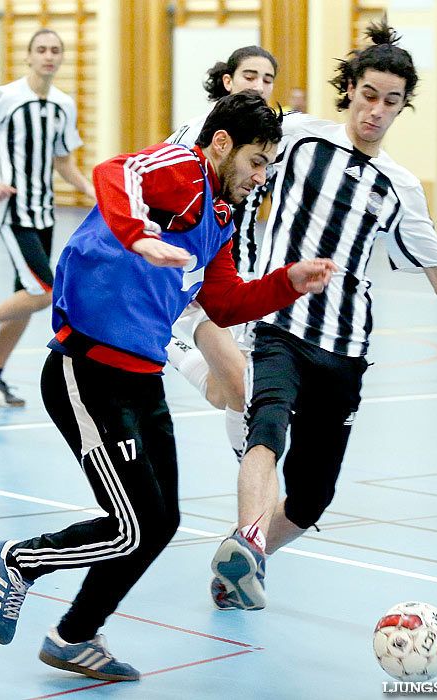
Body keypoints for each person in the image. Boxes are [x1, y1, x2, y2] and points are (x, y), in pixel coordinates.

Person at [209, 21, 437, 612]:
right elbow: (223, 150)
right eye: (369, 95)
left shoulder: (401, 187)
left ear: (404, 108)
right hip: (278, 324)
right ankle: (247, 540)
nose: (376, 111)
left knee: (310, 501)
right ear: (350, 88)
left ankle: (241, 565)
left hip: (345, 349)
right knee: (265, 428)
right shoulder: (297, 136)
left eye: (391, 102)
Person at [0, 91, 336, 681]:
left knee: (159, 521)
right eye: (255, 161)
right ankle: (18, 563)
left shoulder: (221, 216)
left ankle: (73, 636)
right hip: (86, 368)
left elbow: (224, 301)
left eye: (268, 164)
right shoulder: (182, 171)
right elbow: (111, 171)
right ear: (222, 145)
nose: (260, 176)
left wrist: (289, 282)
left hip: (141, 379)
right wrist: (137, 235)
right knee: (136, 522)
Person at [0, 28, 95, 407]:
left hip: (43, 211)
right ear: (28, 56)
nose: (49, 55)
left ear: (62, 58)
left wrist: (93, 191)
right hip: (13, 209)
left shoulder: (64, 103)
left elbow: (63, 161)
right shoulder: (6, 97)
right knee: (43, 292)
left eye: (55, 50)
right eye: (41, 49)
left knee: (27, 295)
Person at [164, 46, 280, 460]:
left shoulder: (271, 142)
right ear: (228, 82)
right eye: (250, 75)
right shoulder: (191, 136)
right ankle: (252, 494)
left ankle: (164, 344)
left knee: (223, 390)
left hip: (243, 273)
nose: (260, 85)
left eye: (268, 79)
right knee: (242, 386)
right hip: (200, 277)